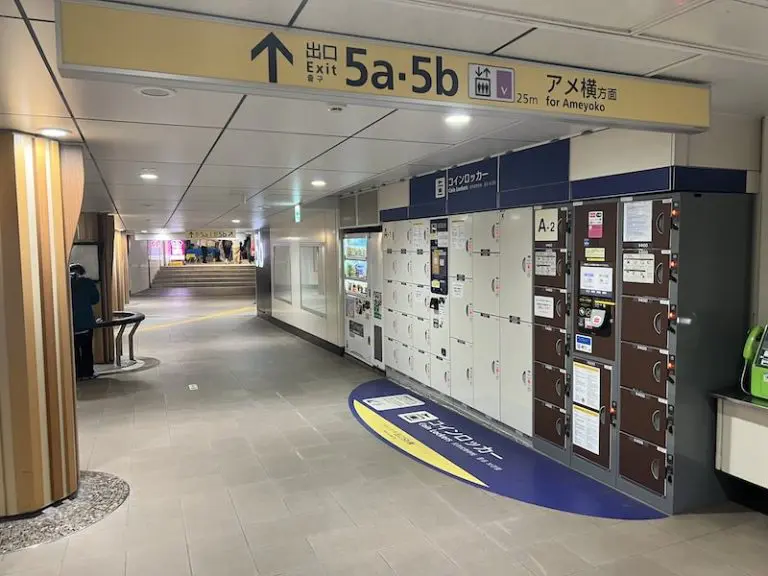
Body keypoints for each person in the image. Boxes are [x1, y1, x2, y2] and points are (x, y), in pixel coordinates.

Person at [70, 263, 100, 380]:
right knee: (87, 349)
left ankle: (76, 374)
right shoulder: (87, 283)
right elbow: (95, 299)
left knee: (74, 350)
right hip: (86, 322)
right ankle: (88, 373)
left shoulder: (64, 283)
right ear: (82, 272)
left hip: (71, 323)